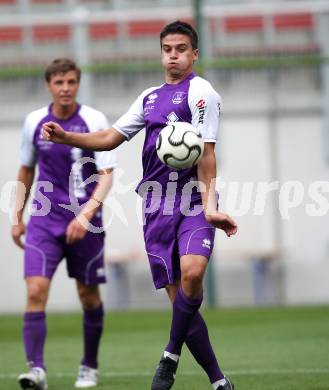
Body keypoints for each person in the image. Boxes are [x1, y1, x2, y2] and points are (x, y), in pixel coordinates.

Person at [42, 21, 237, 390]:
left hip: (193, 199)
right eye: (167, 49)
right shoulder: (149, 97)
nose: (173, 55)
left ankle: (169, 355)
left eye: (181, 49)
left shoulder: (202, 93)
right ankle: (218, 382)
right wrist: (67, 135)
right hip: (155, 206)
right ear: (161, 52)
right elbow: (110, 137)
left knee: (194, 275)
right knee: (179, 296)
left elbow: (207, 154)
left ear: (195, 54)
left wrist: (210, 205)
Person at [11, 58, 117, 390]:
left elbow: (107, 175)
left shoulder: (94, 119)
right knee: (36, 289)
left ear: (78, 84)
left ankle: (89, 366)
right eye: (59, 83)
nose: (65, 88)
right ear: (48, 86)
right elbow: (26, 171)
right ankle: (37, 371)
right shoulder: (34, 122)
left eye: (71, 82)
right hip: (44, 219)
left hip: (87, 219)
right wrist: (16, 216)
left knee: (88, 295)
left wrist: (86, 214)